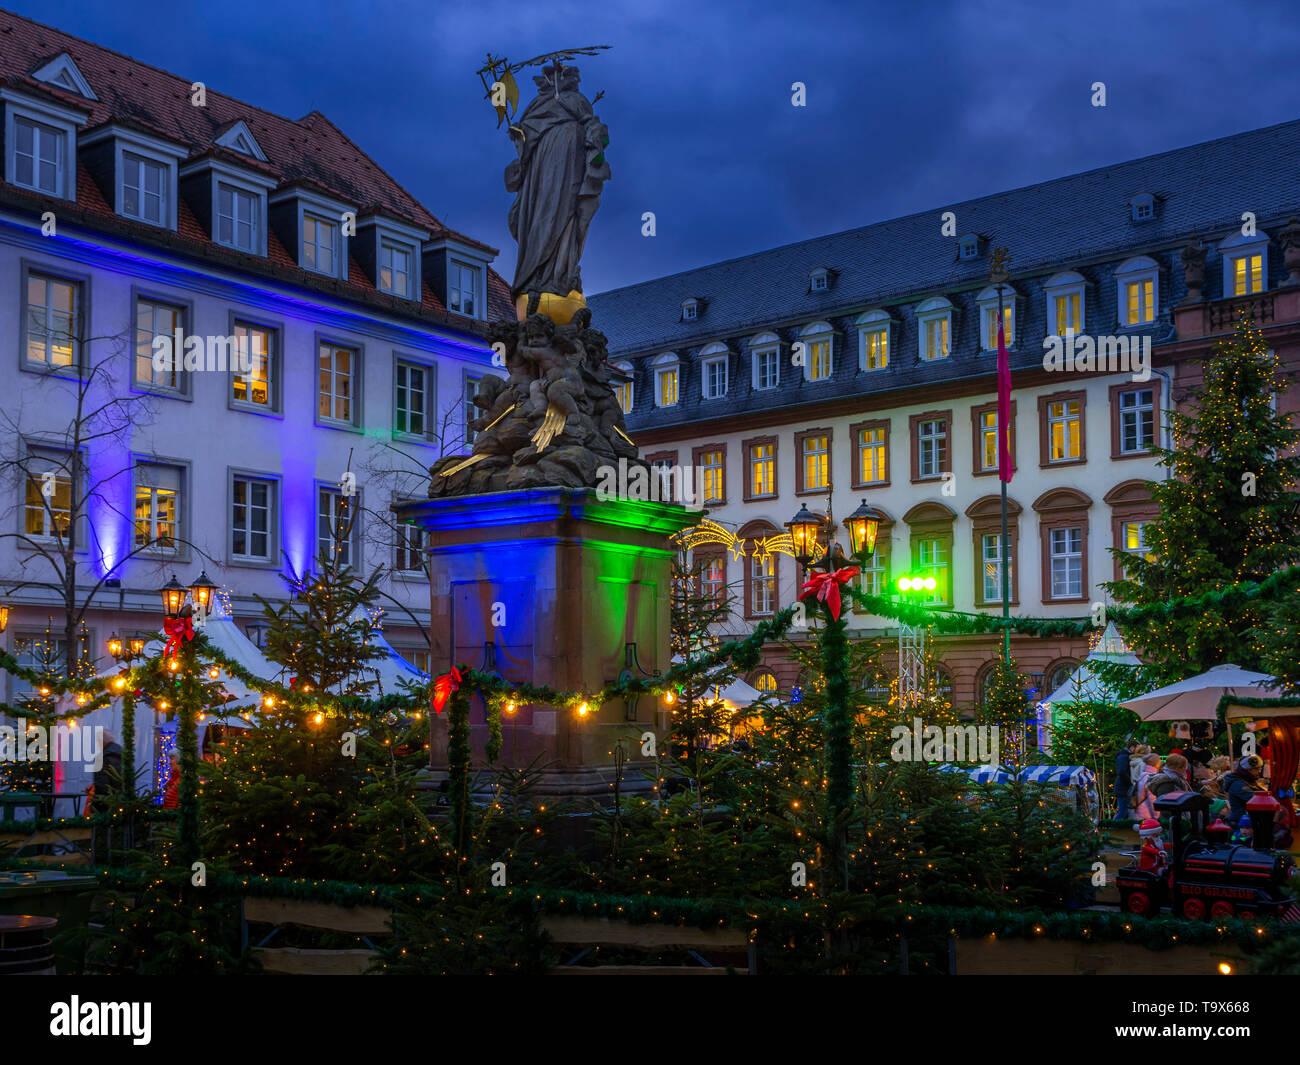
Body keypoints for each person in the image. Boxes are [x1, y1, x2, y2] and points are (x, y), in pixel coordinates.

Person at [1222, 754, 1267, 826]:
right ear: (1247, 770)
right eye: (1256, 769)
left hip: (1248, 820)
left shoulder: (1248, 780)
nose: (1259, 771)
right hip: (1241, 823)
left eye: (1260, 769)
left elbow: (1262, 793)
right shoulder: (1237, 784)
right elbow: (1253, 799)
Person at [1134, 753, 1163, 818]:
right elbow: (1152, 798)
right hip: (1147, 813)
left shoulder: (1143, 775)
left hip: (1140, 809)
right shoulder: (1151, 777)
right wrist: (1157, 815)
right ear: (1156, 764)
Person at [1114, 739, 1138, 819]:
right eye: (1137, 748)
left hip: (1123, 787)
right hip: (1122, 787)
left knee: (1125, 812)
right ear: (1132, 747)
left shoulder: (1124, 756)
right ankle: (1113, 829)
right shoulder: (1124, 756)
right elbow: (1121, 771)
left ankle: (1117, 829)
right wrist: (1130, 782)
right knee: (1123, 811)